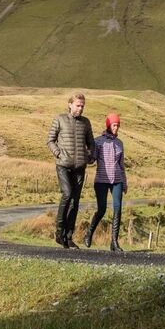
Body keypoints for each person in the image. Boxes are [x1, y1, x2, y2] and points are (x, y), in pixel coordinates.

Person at [46, 92, 95, 249]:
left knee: (75, 202)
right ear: (70, 105)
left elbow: (91, 143)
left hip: (80, 167)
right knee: (67, 195)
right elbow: (50, 140)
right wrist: (58, 153)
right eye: (78, 105)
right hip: (63, 165)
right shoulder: (59, 119)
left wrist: (90, 155)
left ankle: (68, 237)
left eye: (82, 106)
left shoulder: (86, 123)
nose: (80, 108)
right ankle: (59, 233)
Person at [84, 113, 127, 252]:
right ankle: (90, 233)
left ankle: (114, 242)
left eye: (118, 125)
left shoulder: (120, 143)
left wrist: (124, 182)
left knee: (118, 208)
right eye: (115, 125)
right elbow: (92, 160)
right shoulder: (98, 142)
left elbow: (121, 165)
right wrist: (85, 153)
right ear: (109, 125)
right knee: (101, 210)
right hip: (101, 180)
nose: (117, 128)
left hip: (117, 180)